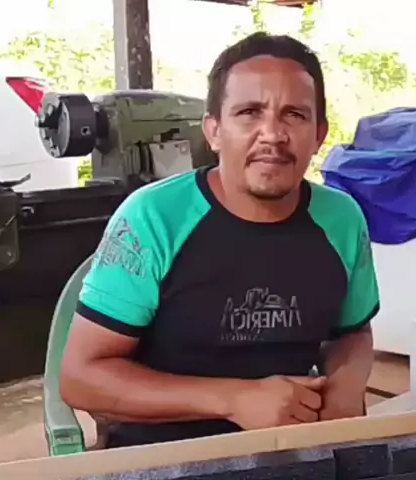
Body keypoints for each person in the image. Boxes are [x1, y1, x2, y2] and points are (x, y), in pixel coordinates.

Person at [58, 32, 380, 449]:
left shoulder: (342, 219)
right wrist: (233, 400)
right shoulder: (152, 219)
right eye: (249, 112)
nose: (272, 134)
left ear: (319, 134)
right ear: (213, 131)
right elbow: (81, 378)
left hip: (295, 451)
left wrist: (346, 384)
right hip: (161, 458)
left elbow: (351, 332)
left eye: (294, 115)